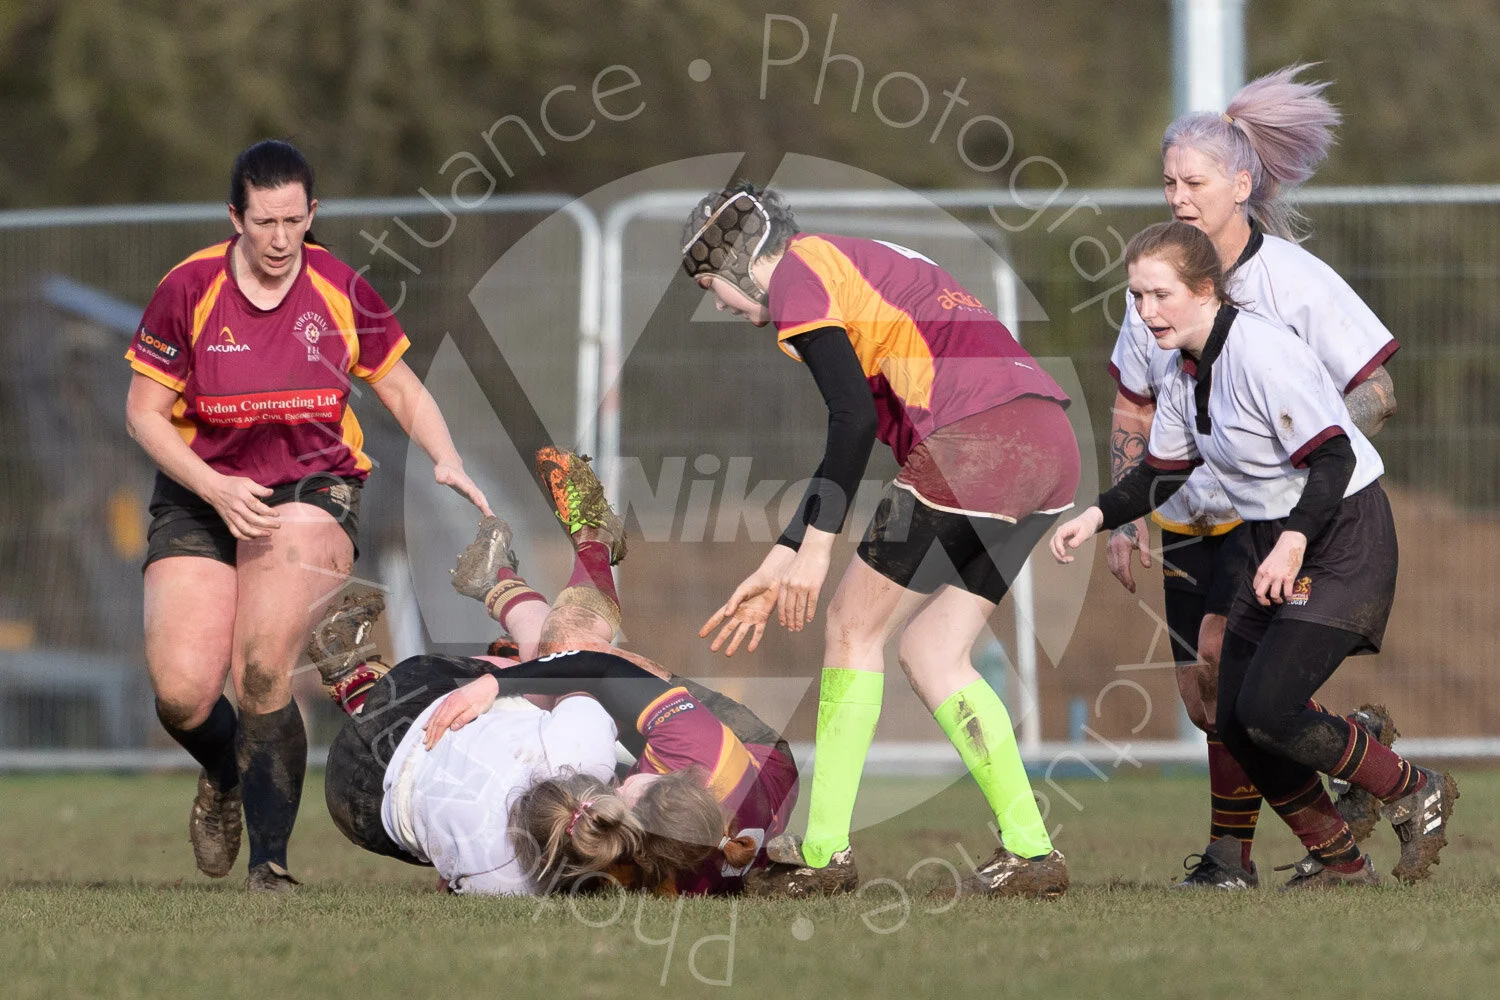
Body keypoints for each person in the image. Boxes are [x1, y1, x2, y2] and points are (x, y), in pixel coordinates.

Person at [683, 184, 1078, 898]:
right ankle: (1031, 850)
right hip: (1048, 446)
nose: (718, 305)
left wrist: (818, 547)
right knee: (933, 651)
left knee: (848, 626)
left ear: (745, 261)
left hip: (975, 444)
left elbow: (852, 420)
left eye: (715, 286)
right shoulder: (848, 263)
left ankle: (825, 852)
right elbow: (860, 420)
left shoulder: (801, 270)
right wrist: (782, 554)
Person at [123, 139, 491, 892]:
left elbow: (400, 387)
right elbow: (144, 416)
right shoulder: (187, 288)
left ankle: (271, 866)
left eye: (295, 219)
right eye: (265, 222)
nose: (281, 238)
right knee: (184, 693)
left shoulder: (339, 288)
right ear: (236, 218)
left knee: (261, 665)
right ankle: (226, 773)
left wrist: (445, 454)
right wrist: (215, 487)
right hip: (201, 490)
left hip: (309, 488)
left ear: (312, 212)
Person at [1053, 221, 1456, 889]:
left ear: (1204, 289)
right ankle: (1342, 864)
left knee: (1267, 709)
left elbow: (1334, 456)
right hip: (1278, 540)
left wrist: (1294, 541)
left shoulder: (1263, 353)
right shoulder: (1184, 371)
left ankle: (1415, 789)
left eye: (1160, 296)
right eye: (1137, 298)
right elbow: (1162, 469)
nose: (1146, 312)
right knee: (1233, 719)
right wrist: (1096, 517)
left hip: (1341, 537)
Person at [1104, 64, 1403, 888]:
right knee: (1206, 703)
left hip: (1265, 516)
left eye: (1192, 180)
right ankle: (1292, 806)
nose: (1177, 196)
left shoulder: (1292, 283)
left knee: (1222, 665)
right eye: (1167, 181)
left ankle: (1259, 846)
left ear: (1240, 183)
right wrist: (1125, 515)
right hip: (1183, 515)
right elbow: (1133, 405)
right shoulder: (1154, 282)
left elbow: (1376, 386)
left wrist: (1295, 451)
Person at [314, 448, 797, 895]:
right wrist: (501, 685)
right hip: (762, 758)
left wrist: (516, 681)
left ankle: (520, 579)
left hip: (708, 816)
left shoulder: (655, 872)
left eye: (624, 791)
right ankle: (581, 548)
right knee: (573, 655)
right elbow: (598, 670)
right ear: (679, 775)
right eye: (631, 785)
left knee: (556, 666)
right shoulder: (696, 746)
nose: (619, 787)